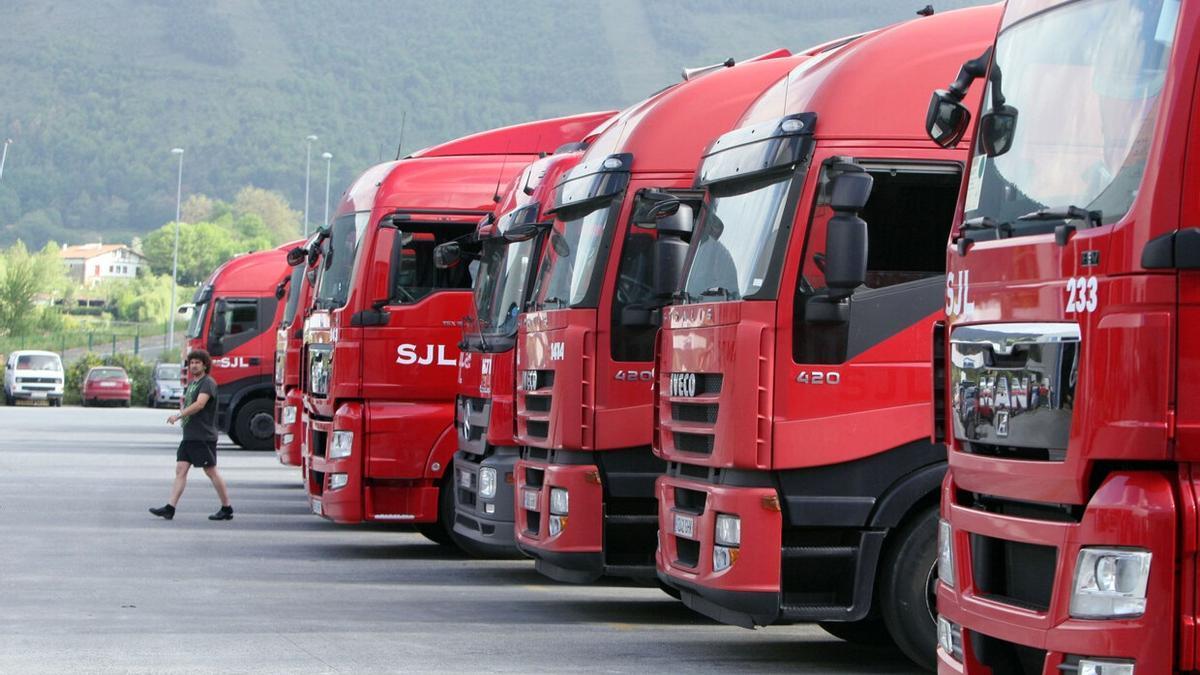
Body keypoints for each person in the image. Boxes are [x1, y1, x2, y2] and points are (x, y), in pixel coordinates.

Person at [149, 350, 233, 521]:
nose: (194, 365)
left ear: (205, 365)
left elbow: (200, 404)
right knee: (181, 469)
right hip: (190, 435)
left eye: (197, 362)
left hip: (203, 435)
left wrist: (179, 415)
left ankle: (227, 508)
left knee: (211, 471)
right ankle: (170, 508)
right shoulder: (193, 383)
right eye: (191, 362)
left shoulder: (207, 383)